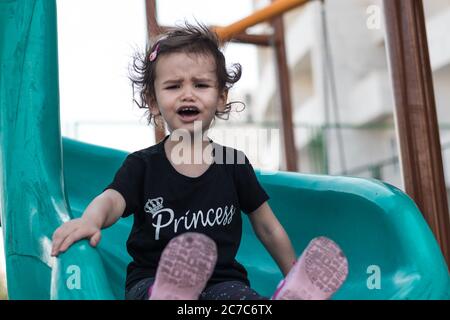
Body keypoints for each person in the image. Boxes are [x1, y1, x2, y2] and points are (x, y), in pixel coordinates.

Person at [51, 23, 348, 300]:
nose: (187, 94)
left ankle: (292, 294)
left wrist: (291, 273)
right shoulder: (142, 165)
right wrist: (90, 220)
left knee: (242, 300)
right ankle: (170, 293)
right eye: (173, 86)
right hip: (151, 280)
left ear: (220, 98)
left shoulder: (233, 164)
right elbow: (112, 200)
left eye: (201, 85)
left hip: (223, 283)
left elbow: (268, 227)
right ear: (153, 101)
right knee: (153, 294)